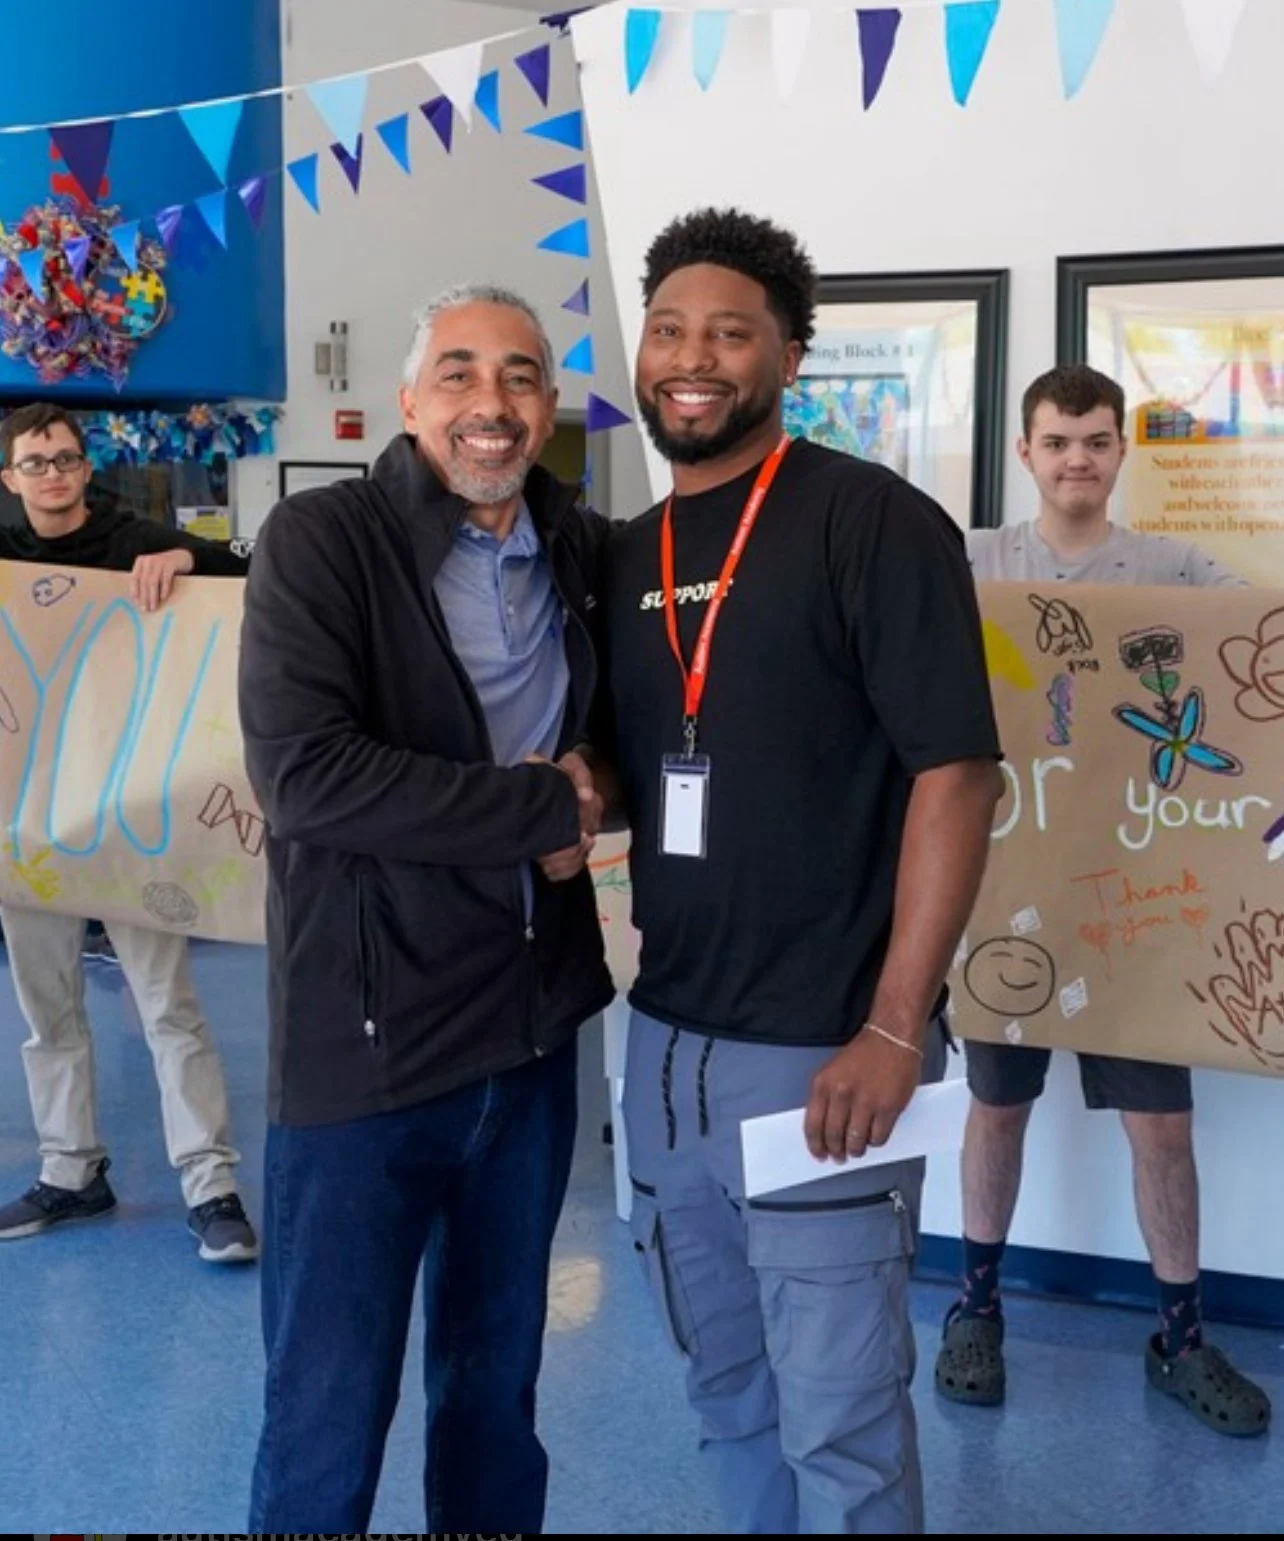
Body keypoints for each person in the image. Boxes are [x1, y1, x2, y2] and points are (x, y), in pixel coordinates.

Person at [604, 208, 1004, 1534]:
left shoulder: (872, 523)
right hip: (662, 1048)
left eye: (730, 331)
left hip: (824, 1054)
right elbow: (622, 763)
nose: (692, 357)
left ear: (790, 357)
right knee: (723, 1388)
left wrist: (896, 1025)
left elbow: (958, 772)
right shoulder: (627, 557)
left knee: (840, 1420)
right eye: (669, 329)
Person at [238, 284, 615, 1532]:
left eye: (518, 376)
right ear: (407, 403)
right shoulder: (321, 542)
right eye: (457, 373)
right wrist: (537, 813)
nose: (489, 404)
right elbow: (306, 775)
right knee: (326, 1416)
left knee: (495, 1397)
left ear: (548, 407)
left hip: (530, 1037)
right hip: (365, 1052)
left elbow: (609, 740)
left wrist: (593, 792)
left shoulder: (581, 549)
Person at [935, 363, 1272, 1437]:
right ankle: (974, 1306)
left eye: (1095, 439)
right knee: (997, 1108)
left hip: (1141, 896)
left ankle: (1180, 1332)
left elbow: (1258, 653)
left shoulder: (1171, 568)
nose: (1076, 457)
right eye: (1058, 440)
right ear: (1025, 453)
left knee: (1161, 1129)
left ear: (1121, 451)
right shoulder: (975, 561)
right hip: (1005, 892)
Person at [0, 401, 257, 1264]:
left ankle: (210, 1183)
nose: (53, 474)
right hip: (27, 825)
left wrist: (188, 555)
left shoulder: (133, 540)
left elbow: (245, 565)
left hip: (125, 820)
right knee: (47, 1011)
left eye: (65, 458)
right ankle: (71, 1168)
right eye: (35, 463)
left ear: (85, 464)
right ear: (12, 477)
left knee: (167, 1004)